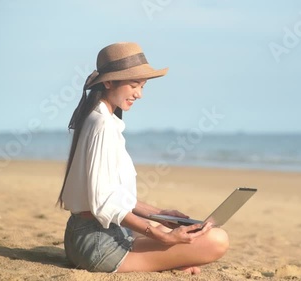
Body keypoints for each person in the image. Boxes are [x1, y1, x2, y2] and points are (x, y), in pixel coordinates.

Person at [57, 42, 229, 274]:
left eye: (143, 86)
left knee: (161, 225)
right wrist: (156, 234)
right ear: (108, 82)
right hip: (98, 244)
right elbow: (104, 201)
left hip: (87, 234)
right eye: (134, 85)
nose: (139, 94)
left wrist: (158, 214)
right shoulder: (102, 125)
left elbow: (110, 193)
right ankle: (169, 260)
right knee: (217, 240)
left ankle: (169, 256)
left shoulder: (99, 118)